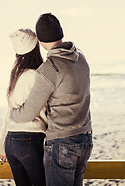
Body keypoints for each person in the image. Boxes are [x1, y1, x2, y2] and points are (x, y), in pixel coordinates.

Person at [10, 13, 93, 186]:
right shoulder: (81, 59)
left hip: (62, 142)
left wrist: (13, 115)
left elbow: (28, 112)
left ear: (40, 41)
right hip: (85, 138)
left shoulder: (48, 69)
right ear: (61, 33)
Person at [0, 28, 47, 186]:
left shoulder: (16, 74)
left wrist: (2, 147)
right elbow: (42, 110)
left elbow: (8, 113)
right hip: (29, 139)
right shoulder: (34, 75)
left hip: (11, 141)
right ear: (35, 47)